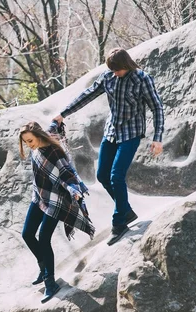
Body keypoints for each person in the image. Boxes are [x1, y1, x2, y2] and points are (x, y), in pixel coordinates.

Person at [53, 47, 164, 246]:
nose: (115, 74)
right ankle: (126, 210)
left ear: (126, 66)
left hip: (131, 133)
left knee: (116, 175)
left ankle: (119, 223)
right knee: (103, 175)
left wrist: (157, 138)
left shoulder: (142, 79)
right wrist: (62, 114)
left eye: (118, 70)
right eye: (112, 70)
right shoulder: (108, 78)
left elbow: (157, 107)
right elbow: (87, 95)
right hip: (112, 132)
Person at [19, 121, 95, 303]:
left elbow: (67, 172)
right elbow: (53, 126)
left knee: (44, 239)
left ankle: (50, 282)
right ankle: (43, 267)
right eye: (26, 142)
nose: (29, 145)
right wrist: (56, 120)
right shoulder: (36, 149)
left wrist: (74, 189)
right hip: (39, 196)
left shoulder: (55, 152)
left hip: (56, 200)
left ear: (38, 135)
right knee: (27, 234)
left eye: (30, 140)